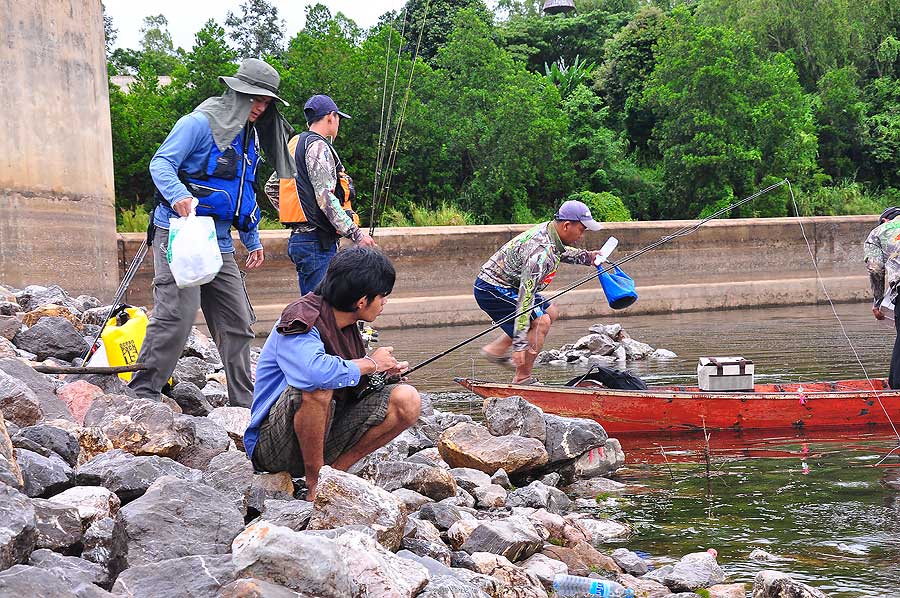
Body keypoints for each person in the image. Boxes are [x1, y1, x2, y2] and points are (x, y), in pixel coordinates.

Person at [130, 58, 296, 408]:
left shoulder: (249, 137)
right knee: (177, 316)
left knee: (237, 321)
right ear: (236, 94)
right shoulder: (198, 124)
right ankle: (143, 395)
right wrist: (178, 196)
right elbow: (161, 163)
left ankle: (244, 403)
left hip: (218, 240)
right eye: (255, 99)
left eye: (266, 102)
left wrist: (251, 239)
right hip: (179, 233)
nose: (260, 107)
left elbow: (243, 191)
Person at [244, 246, 420, 500]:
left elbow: (350, 382)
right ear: (361, 301)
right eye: (382, 296)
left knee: (407, 399)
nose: (384, 303)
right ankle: (315, 484)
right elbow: (313, 374)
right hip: (272, 447)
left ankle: (335, 474)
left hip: (322, 436)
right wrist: (370, 363)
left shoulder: (348, 325)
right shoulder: (301, 318)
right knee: (318, 386)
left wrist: (384, 374)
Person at [474, 200, 606, 384]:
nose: (582, 236)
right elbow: (525, 299)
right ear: (567, 225)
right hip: (493, 288)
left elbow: (559, 252)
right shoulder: (540, 253)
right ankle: (522, 378)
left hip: (513, 285)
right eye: (582, 230)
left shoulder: (552, 232)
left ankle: (496, 349)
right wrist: (519, 344)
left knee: (551, 311)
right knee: (541, 321)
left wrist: (587, 257)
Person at [264, 94, 376, 294]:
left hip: (300, 241)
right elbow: (325, 197)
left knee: (315, 307)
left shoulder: (294, 144)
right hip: (316, 243)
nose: (338, 123)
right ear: (331, 117)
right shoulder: (319, 146)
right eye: (338, 118)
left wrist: (300, 212)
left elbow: (271, 187)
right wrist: (356, 234)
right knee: (319, 310)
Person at [864, 206, 900, 388]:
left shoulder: (879, 232)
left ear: (885, 220)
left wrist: (877, 302)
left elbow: (875, 269)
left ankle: (896, 392)